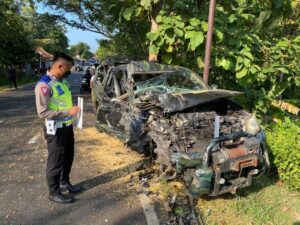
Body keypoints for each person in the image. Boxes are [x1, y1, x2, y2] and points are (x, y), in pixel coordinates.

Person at [34, 52, 81, 204]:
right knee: (55, 161)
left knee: (68, 156)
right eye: (68, 68)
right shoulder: (44, 85)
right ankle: (54, 192)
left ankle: (64, 182)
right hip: (54, 130)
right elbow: (43, 112)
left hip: (67, 126)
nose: (69, 71)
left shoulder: (62, 82)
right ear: (60, 66)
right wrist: (68, 111)